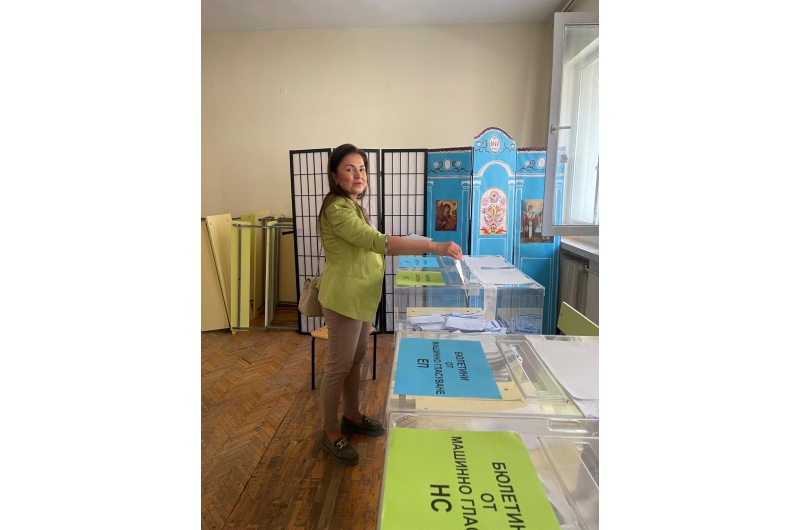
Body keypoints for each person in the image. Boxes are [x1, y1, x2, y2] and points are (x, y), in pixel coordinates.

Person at [315, 143, 462, 466]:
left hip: (361, 297)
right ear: (334, 176)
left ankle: (351, 415)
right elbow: (376, 242)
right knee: (339, 365)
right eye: (349, 169)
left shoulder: (352, 206)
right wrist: (432, 245)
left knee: (355, 359)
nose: (358, 175)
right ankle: (329, 430)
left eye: (362, 169)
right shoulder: (338, 209)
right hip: (344, 299)